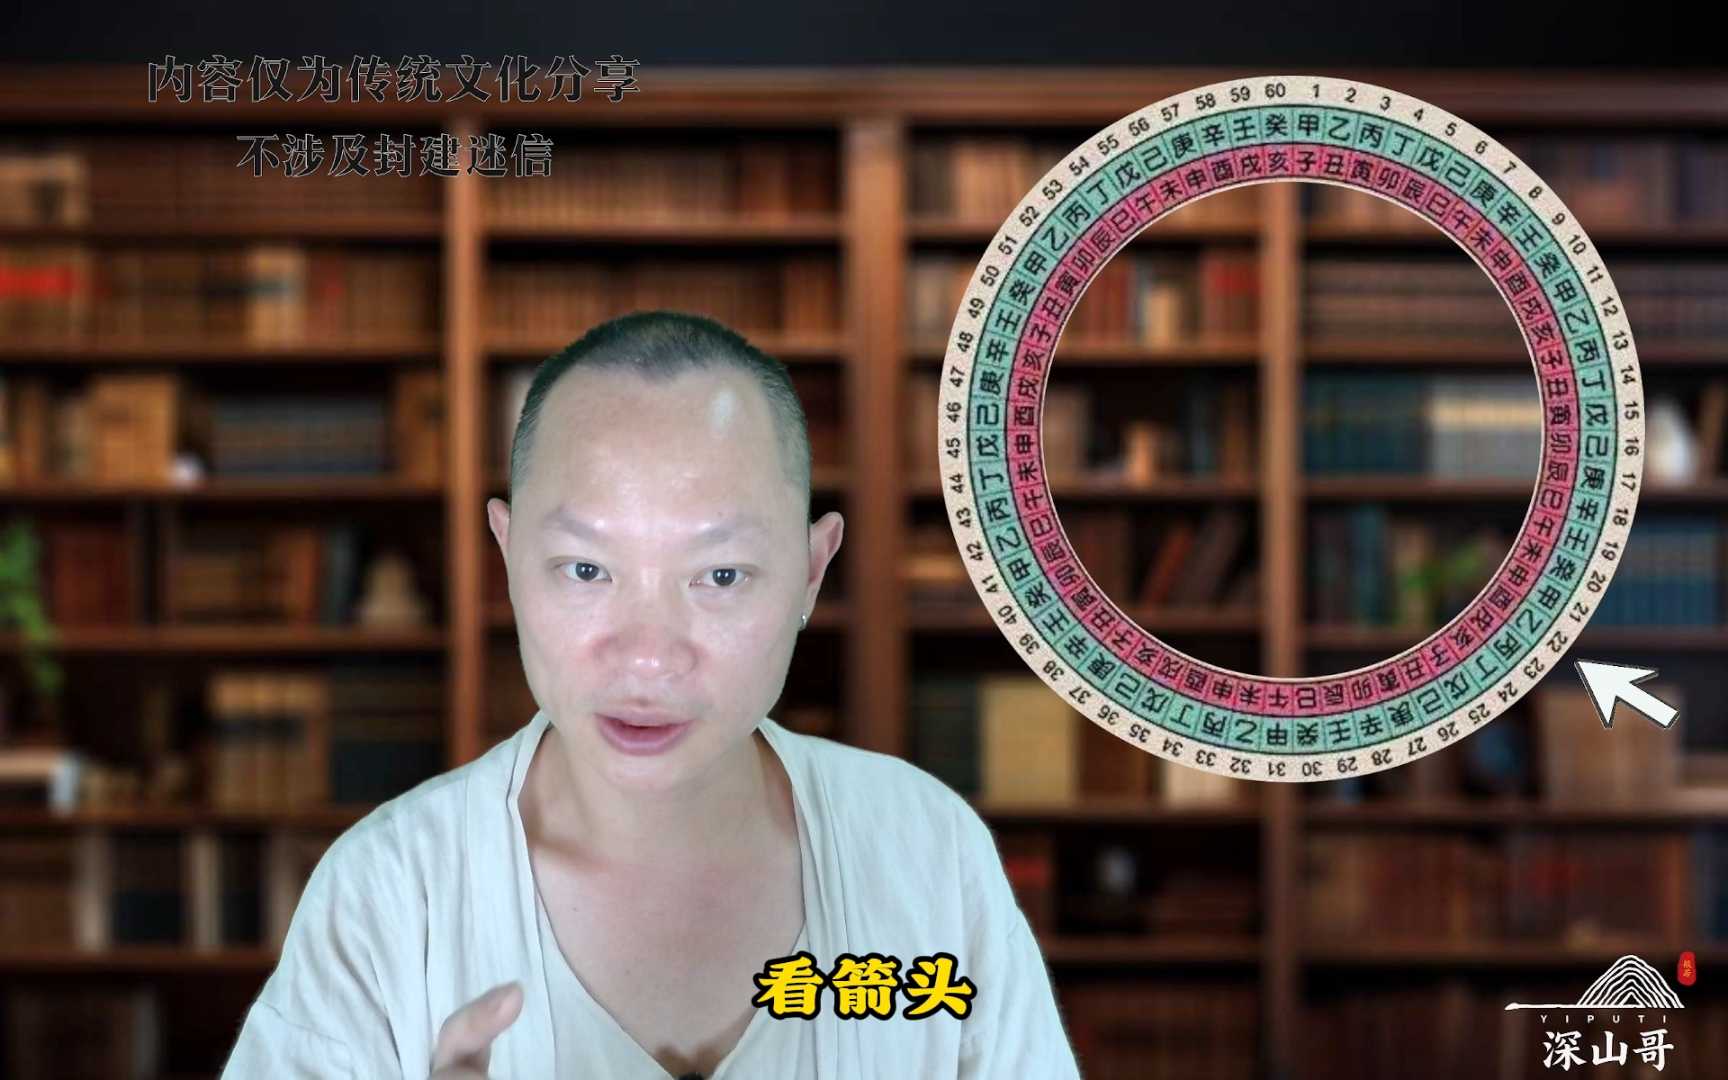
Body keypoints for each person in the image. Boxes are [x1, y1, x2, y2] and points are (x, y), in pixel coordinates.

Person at [219, 310, 1082, 1079]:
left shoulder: (928, 853)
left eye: (720, 575)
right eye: (585, 569)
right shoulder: (388, 893)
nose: (647, 656)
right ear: (509, 558)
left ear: (812, 572)